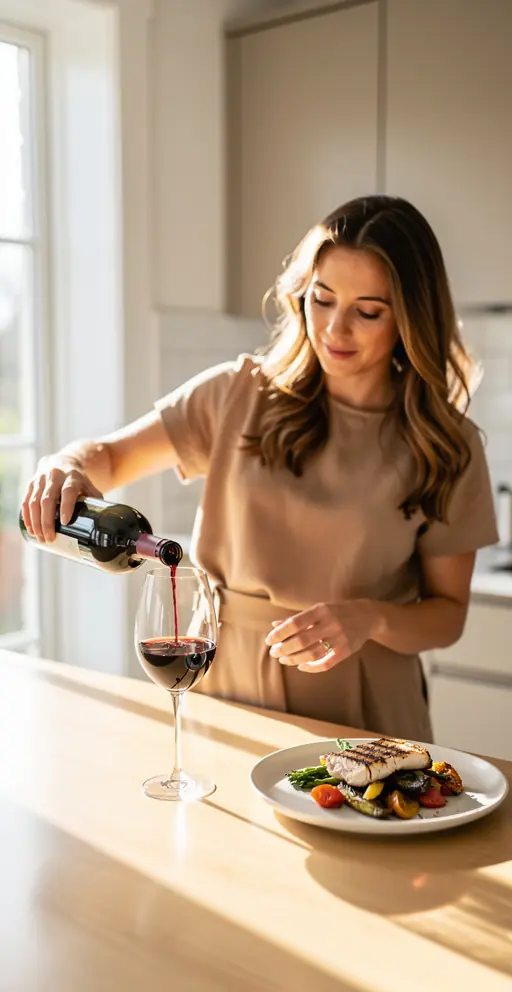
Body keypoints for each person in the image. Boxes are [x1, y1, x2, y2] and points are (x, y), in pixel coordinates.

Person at [21, 195, 498, 740]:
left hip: (363, 704)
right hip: (222, 681)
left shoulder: (446, 445)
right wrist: (65, 464)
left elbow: (448, 613)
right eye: (321, 300)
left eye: (367, 311)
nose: (335, 330)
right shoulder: (237, 394)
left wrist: (371, 618)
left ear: (411, 318)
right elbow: (110, 456)